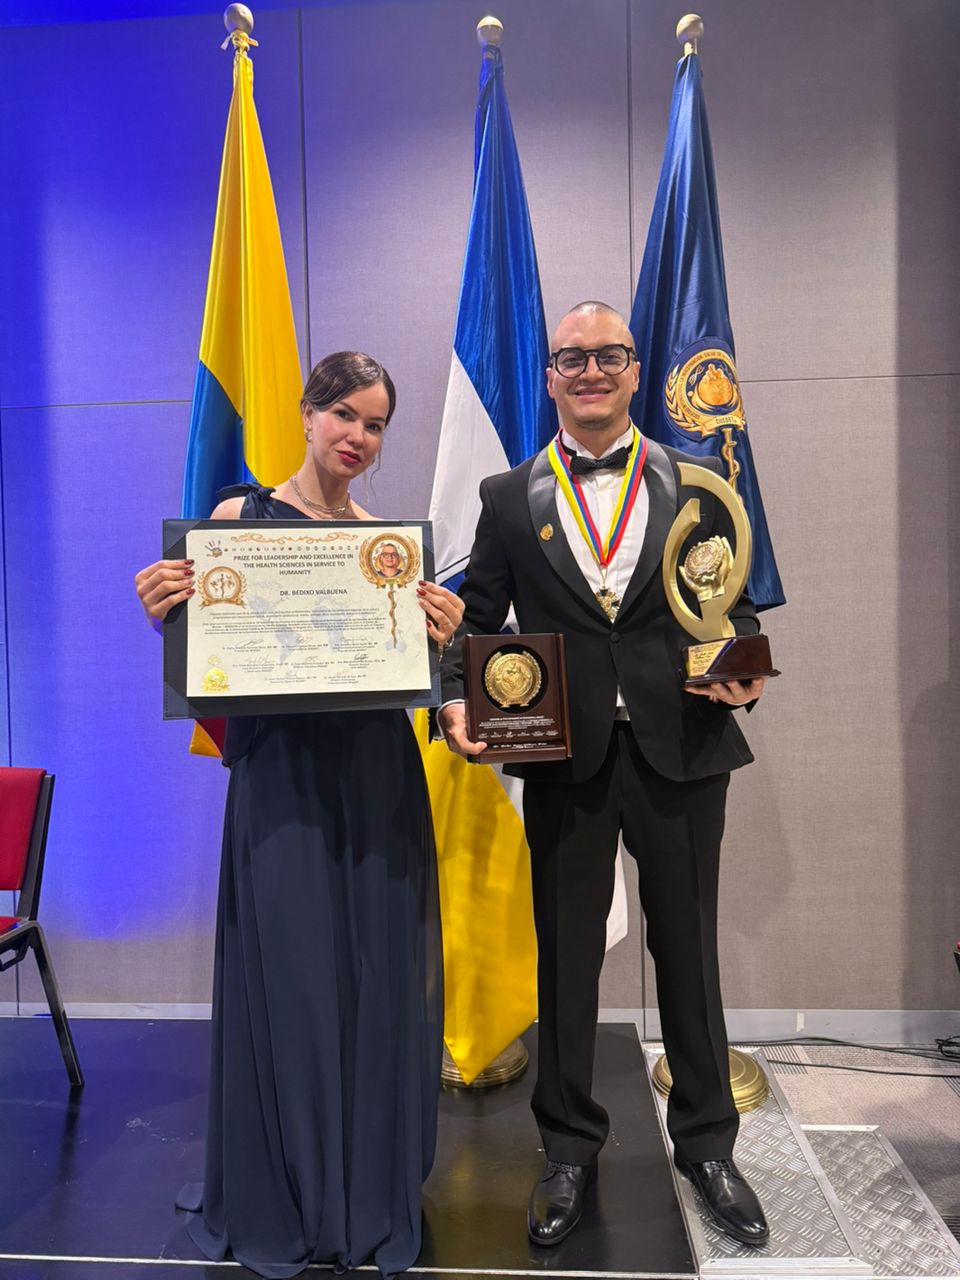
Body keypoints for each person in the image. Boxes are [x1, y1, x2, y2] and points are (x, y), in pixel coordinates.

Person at [438, 303, 770, 1249]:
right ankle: (569, 1151)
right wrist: (457, 697)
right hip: (564, 758)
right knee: (567, 958)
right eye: (572, 358)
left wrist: (738, 666)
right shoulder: (507, 498)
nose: (591, 370)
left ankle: (708, 1146)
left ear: (634, 372)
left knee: (690, 958)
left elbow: (728, 596)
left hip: (683, 749)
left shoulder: (698, 479)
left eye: (609, 356)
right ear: (550, 379)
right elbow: (476, 618)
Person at [135, 351, 464, 1279]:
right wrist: (162, 616)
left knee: (373, 973)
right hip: (281, 781)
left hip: (378, 780)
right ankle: (290, 1185)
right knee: (293, 979)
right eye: (344, 416)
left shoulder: (388, 545)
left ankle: (365, 1183)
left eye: (375, 424)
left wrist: (442, 645)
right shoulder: (239, 518)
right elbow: (204, 665)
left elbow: (425, 691)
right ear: (308, 413)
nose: (358, 437)